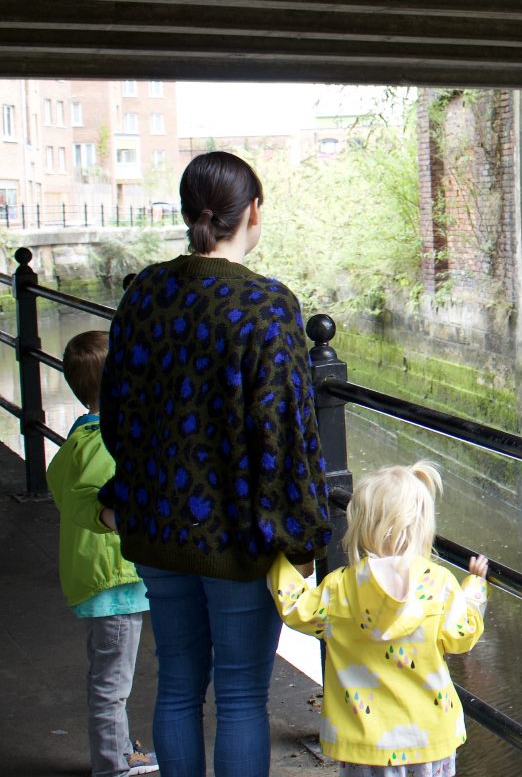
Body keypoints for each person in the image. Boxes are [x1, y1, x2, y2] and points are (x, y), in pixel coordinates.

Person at [98, 151, 331, 777]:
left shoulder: (144, 292)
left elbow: (116, 413)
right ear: (252, 211)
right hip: (238, 539)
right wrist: (303, 534)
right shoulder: (266, 306)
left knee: (176, 687)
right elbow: (288, 437)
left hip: (155, 529)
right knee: (240, 699)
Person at [269, 461, 488, 777]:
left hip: (364, 740)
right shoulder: (439, 585)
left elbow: (295, 607)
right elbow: (462, 635)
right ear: (422, 527)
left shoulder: (340, 587)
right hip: (429, 734)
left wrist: (278, 560)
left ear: (361, 526)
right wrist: (474, 588)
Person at [48, 331, 159, 777]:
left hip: (100, 578)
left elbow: (66, 489)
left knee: (108, 674)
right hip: (115, 580)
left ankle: (120, 750)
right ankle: (113, 765)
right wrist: (113, 516)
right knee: (112, 682)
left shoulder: (82, 435)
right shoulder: (106, 444)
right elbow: (94, 501)